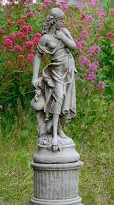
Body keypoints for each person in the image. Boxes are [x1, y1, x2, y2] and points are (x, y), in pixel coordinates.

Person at [32, 8, 77, 151]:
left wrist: (62, 37)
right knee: (59, 96)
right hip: (56, 72)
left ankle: (59, 130)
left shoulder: (64, 32)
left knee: (66, 101)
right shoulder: (45, 38)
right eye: (60, 20)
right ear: (54, 21)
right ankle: (55, 135)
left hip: (68, 70)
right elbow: (38, 56)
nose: (62, 23)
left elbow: (73, 46)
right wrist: (34, 76)